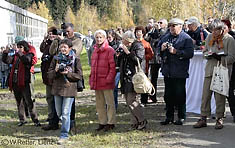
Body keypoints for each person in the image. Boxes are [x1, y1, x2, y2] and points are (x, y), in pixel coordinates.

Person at [193, 19, 235, 129]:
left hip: (222, 70)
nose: (214, 32)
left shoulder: (229, 39)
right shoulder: (209, 37)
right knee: (205, 95)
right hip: (210, 69)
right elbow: (205, 51)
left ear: (222, 30)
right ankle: (203, 117)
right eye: (213, 30)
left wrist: (220, 57)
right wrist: (208, 54)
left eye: (217, 30)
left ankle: (219, 118)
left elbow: (232, 57)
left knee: (219, 96)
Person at [159, 18, 194, 126]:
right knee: (168, 95)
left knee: (180, 95)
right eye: (170, 26)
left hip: (179, 71)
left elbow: (190, 53)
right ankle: (169, 117)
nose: (171, 28)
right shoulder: (166, 36)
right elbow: (157, 48)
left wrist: (176, 52)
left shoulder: (186, 38)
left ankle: (181, 116)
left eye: (174, 26)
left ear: (180, 26)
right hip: (168, 70)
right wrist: (161, 48)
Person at [49, 23, 83, 133]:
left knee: (66, 112)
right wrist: (57, 41)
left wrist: (68, 73)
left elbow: (75, 52)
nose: (66, 33)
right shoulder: (56, 57)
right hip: (58, 86)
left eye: (68, 31)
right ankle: (67, 124)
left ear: (72, 30)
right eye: (64, 31)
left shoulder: (77, 40)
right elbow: (51, 51)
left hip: (69, 86)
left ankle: (67, 131)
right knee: (60, 113)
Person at [2, 40, 41, 127]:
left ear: (25, 47)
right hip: (16, 81)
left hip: (25, 81)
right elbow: (7, 61)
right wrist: (5, 53)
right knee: (19, 102)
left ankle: (35, 120)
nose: (19, 49)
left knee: (29, 101)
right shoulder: (16, 56)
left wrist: (20, 53)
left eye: (21, 47)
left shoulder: (29, 54)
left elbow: (27, 60)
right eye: (18, 47)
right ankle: (22, 119)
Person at [116, 30, 147, 130]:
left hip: (134, 77)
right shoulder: (124, 47)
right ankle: (134, 122)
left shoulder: (138, 46)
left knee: (131, 100)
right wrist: (118, 55)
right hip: (125, 76)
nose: (122, 42)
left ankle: (142, 120)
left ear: (129, 40)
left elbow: (138, 60)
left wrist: (127, 52)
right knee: (127, 101)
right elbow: (119, 62)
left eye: (123, 40)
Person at [89, 29, 116, 132]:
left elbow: (113, 67)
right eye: (97, 37)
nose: (99, 39)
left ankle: (111, 122)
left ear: (104, 38)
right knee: (99, 103)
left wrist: (109, 79)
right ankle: (102, 122)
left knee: (110, 103)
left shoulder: (110, 50)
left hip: (106, 81)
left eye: (101, 37)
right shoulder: (95, 50)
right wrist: (92, 78)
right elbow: (93, 66)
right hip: (97, 80)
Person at [40, 26, 60, 131]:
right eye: (50, 33)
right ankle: (51, 117)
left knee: (55, 99)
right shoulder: (47, 43)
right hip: (47, 75)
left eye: (53, 33)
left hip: (55, 76)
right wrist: (45, 39)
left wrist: (56, 40)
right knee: (49, 98)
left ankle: (55, 120)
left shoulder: (58, 43)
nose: (51, 35)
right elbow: (41, 48)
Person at [134, 26, 154, 106]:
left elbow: (151, 54)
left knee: (143, 82)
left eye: (140, 32)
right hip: (134, 66)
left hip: (143, 65)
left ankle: (144, 100)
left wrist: (143, 57)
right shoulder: (133, 43)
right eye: (137, 32)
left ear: (143, 33)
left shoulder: (146, 44)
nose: (138, 33)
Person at [221, 19, 235, 123]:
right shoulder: (220, 38)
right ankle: (234, 113)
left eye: (224, 27)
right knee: (229, 91)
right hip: (229, 67)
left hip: (232, 65)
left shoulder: (231, 37)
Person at [145, 18, 160, 103]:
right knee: (151, 78)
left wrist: (158, 30)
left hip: (158, 58)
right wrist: (149, 31)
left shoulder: (160, 31)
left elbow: (161, 38)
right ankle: (152, 96)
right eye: (149, 22)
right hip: (151, 58)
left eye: (151, 22)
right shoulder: (148, 32)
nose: (150, 24)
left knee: (156, 78)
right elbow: (145, 39)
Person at [107, 29, 121, 110]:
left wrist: (117, 55)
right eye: (107, 37)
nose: (109, 39)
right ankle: (108, 105)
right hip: (108, 68)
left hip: (116, 68)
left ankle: (114, 105)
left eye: (110, 37)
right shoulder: (105, 45)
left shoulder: (118, 44)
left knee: (114, 88)